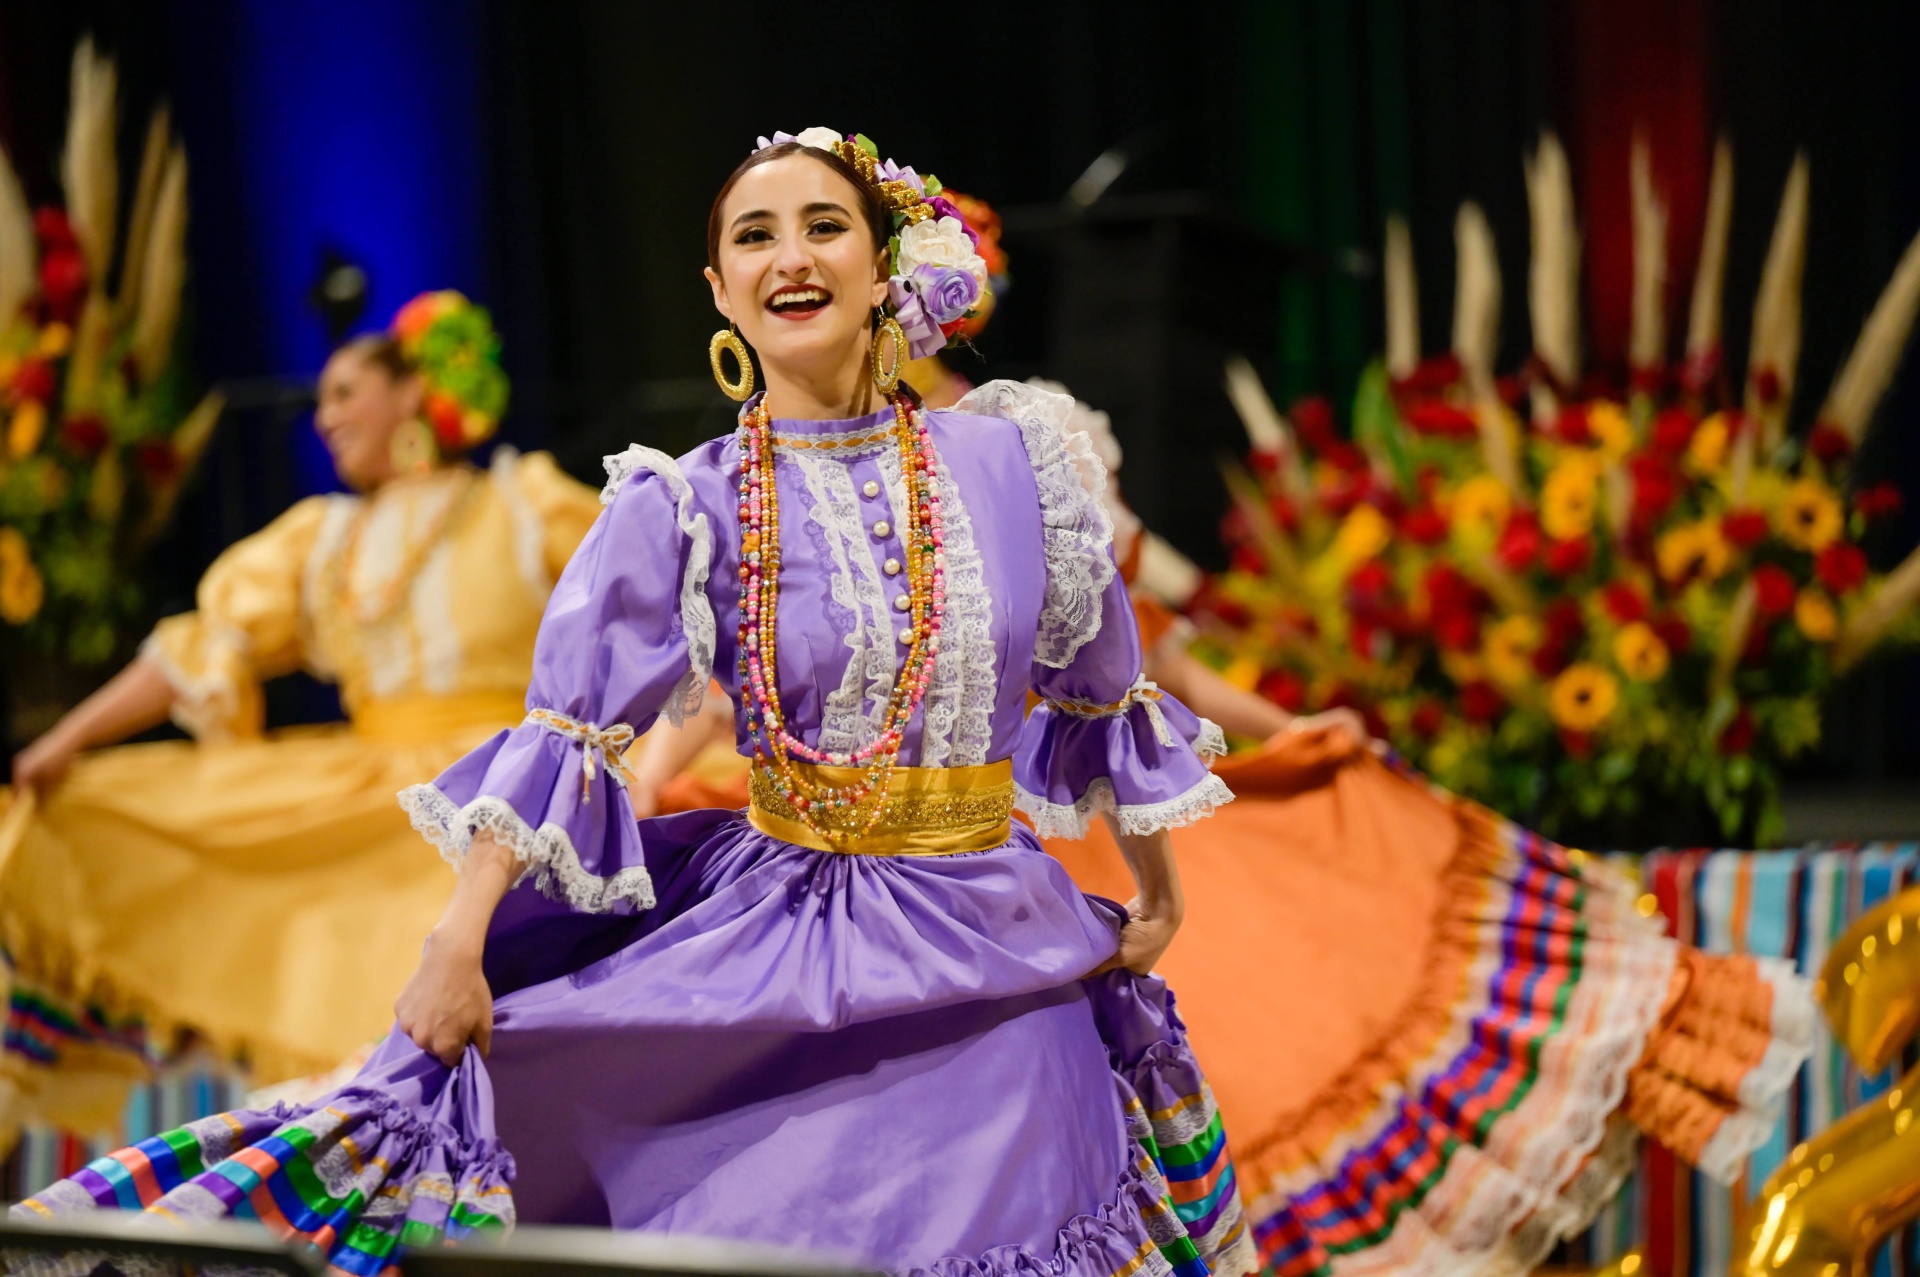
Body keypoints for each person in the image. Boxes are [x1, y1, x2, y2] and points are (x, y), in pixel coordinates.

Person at [16, 131, 1256, 1277]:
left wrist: (1157, 887)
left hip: (1001, 947)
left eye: (824, 225)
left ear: (884, 267)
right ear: (719, 293)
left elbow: (1102, 687)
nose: (791, 256)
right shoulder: (687, 503)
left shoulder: (1011, 458)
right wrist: (457, 942)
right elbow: (570, 730)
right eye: (754, 237)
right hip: (795, 940)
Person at [0, 293, 602, 1147]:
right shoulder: (321, 538)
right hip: (364, 794)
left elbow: (648, 612)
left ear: (410, 393)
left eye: (345, 392)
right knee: (107, 822)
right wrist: (66, 740)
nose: (325, 417)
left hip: (502, 789)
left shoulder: (520, 501)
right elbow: (199, 647)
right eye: (322, 402)